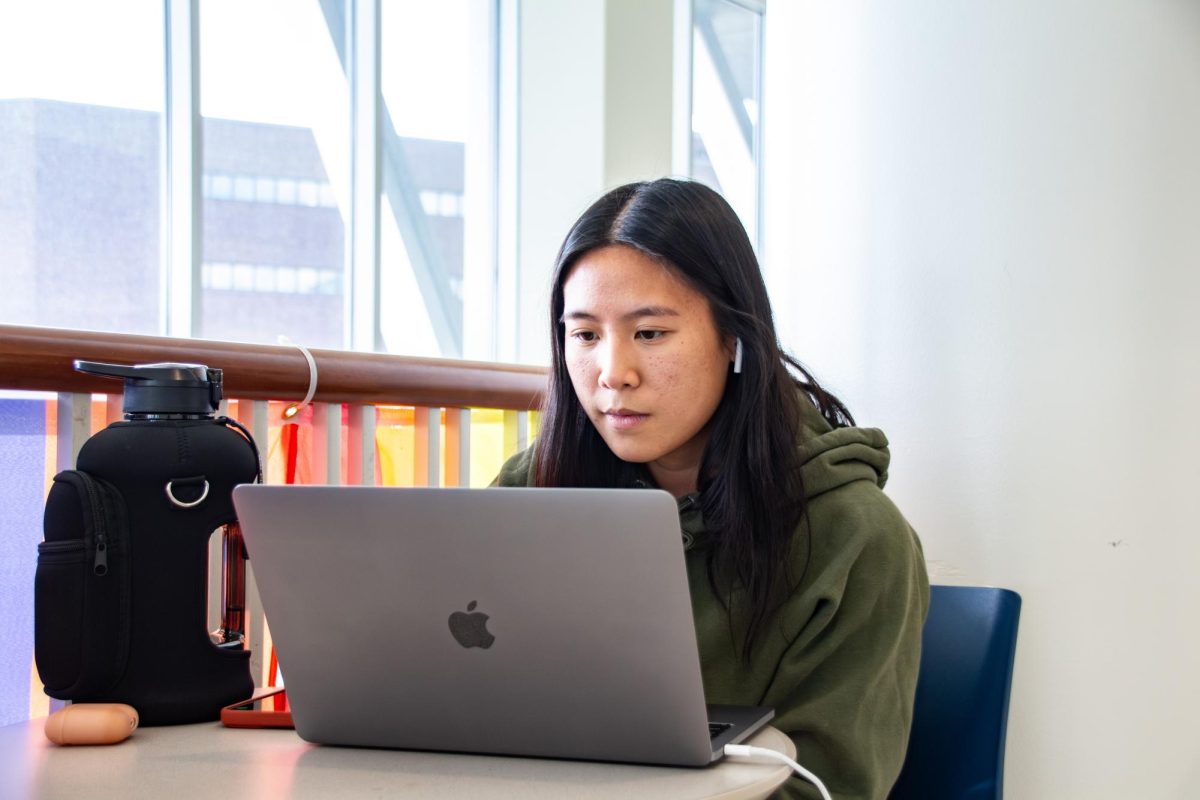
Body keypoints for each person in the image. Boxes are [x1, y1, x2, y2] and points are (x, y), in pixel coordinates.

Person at [494, 178, 929, 799]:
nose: (613, 373)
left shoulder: (856, 539)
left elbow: (826, 789)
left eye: (650, 333)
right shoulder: (531, 491)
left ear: (733, 337)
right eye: (585, 335)